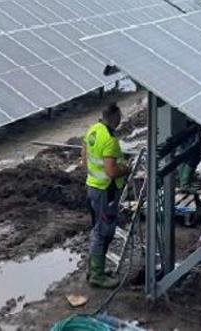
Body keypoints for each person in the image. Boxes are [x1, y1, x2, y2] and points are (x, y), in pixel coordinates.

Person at [82, 102, 128, 288]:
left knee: (97, 229)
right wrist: (126, 168)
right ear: (115, 117)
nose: (120, 120)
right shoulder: (109, 139)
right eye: (120, 117)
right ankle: (97, 275)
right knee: (103, 232)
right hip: (105, 191)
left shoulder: (93, 130)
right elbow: (111, 171)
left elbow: (84, 157)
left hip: (92, 186)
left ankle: (93, 269)